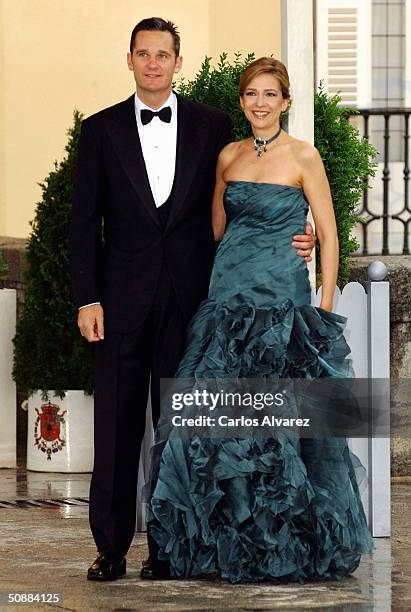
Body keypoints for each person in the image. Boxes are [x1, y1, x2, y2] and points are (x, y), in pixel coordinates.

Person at [68, 20, 316, 581]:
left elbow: (260, 191)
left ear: (178, 62)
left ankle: (169, 547)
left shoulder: (213, 126)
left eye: (163, 55)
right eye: (143, 54)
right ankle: (109, 548)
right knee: (116, 427)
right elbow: (84, 224)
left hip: (194, 303)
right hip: (121, 306)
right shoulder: (100, 131)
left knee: (182, 431)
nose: (153, 64)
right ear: (129, 60)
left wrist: (306, 233)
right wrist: (88, 299)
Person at [146, 57, 375, 583]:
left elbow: (329, 232)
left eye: (271, 94)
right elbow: (217, 228)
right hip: (226, 299)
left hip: (282, 303)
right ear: (243, 101)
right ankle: (221, 542)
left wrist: (324, 306)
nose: (261, 103)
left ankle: (281, 544)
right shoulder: (227, 156)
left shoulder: (304, 156)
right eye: (252, 94)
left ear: (286, 102)